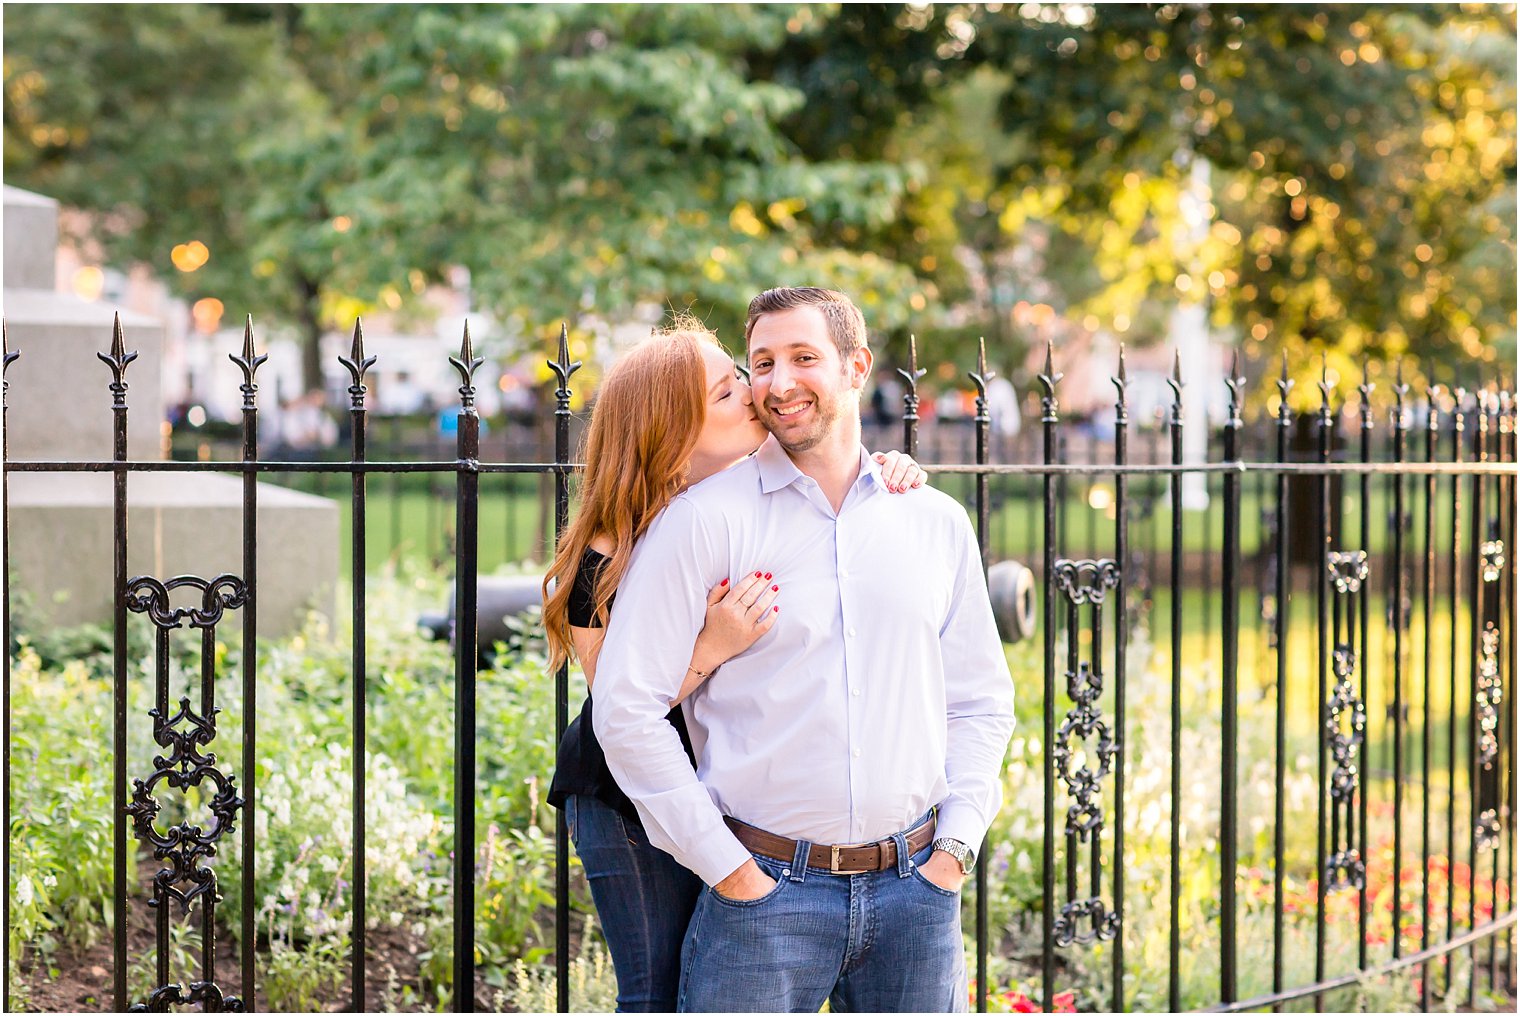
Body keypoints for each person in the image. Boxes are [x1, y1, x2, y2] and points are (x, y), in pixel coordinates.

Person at [593, 287, 1016, 1013]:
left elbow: (979, 700)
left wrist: (955, 851)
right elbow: (626, 709)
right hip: (763, 900)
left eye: (803, 358)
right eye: (761, 363)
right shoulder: (702, 524)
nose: (780, 382)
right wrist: (732, 873)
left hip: (918, 895)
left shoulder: (934, 522)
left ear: (857, 368)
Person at [541, 320, 926, 1013]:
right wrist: (712, 646)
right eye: (728, 392)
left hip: (730, 785)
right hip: (626, 797)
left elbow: (839, 469)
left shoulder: (736, 506)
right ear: (674, 431)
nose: (756, 395)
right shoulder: (604, 558)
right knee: (657, 988)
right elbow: (622, 709)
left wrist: (889, 468)